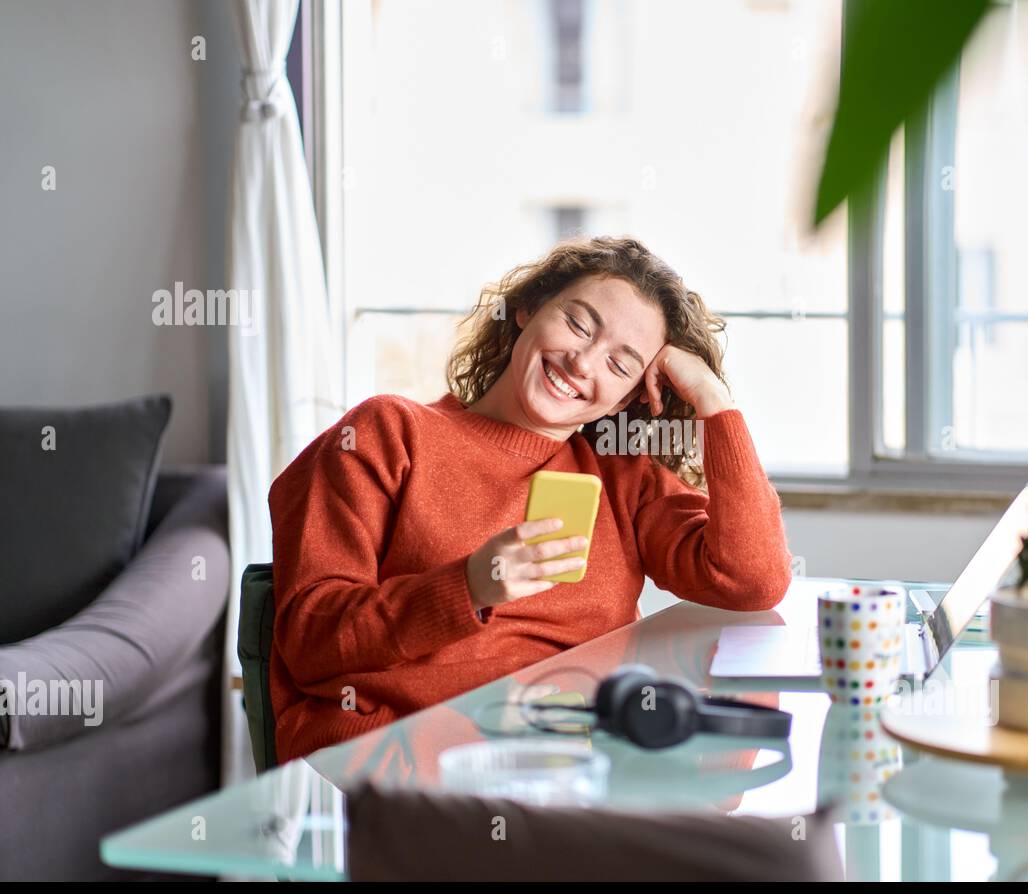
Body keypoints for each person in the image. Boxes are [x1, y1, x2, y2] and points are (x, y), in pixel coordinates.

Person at [268, 236, 792, 763]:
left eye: (620, 365)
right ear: (526, 308)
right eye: (578, 324)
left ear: (631, 397)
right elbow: (311, 639)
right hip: (405, 760)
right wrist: (468, 586)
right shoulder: (388, 433)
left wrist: (713, 402)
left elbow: (752, 580)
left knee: (749, 827)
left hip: (569, 766)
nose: (583, 362)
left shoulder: (622, 478)